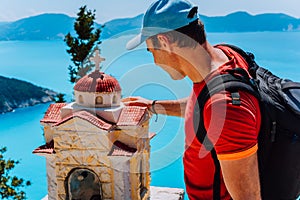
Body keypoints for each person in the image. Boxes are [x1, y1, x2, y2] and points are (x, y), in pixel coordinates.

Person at [123, 0, 261, 199]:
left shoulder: (227, 106)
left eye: (151, 51)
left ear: (164, 42)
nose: (154, 61)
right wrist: (153, 106)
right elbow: (203, 108)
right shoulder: (226, 55)